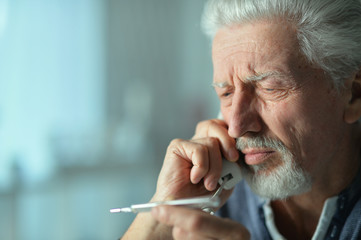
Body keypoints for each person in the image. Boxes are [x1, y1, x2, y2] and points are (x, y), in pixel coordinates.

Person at [122, 0, 361, 239]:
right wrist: (161, 214)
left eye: (269, 88)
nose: (236, 126)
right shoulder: (209, 197)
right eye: (226, 93)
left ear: (353, 95)